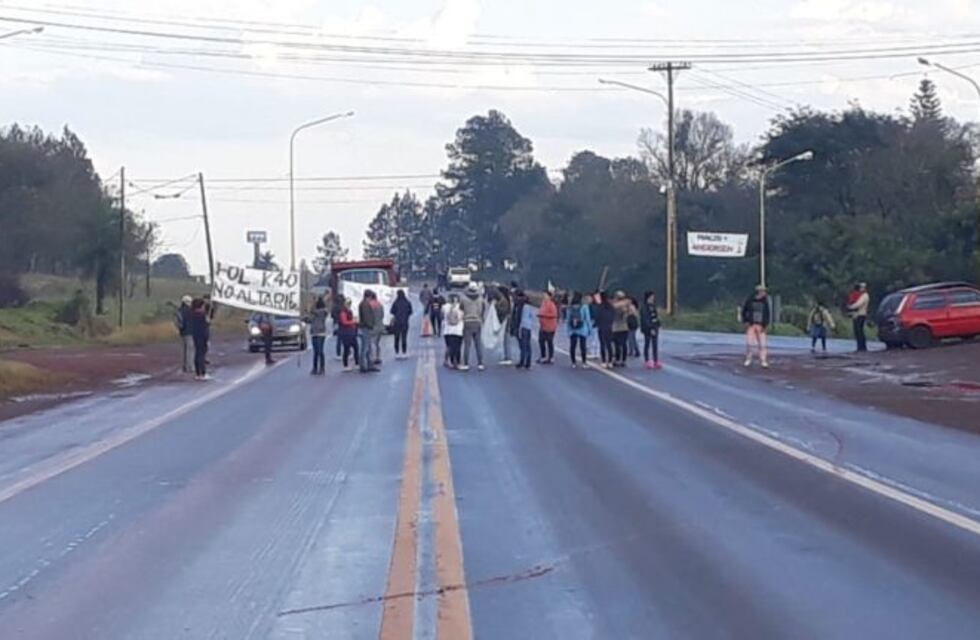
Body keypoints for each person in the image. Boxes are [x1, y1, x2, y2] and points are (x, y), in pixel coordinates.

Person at [459, 283, 487, 371]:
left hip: (467, 322)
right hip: (477, 322)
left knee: (467, 345)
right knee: (478, 344)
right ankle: (480, 364)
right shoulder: (480, 298)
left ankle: (466, 364)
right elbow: (483, 309)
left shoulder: (463, 298)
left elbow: (461, 308)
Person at [742, 285, 771, 368]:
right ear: (759, 292)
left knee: (763, 344)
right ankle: (748, 359)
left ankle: (763, 360)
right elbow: (744, 311)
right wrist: (746, 321)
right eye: (763, 291)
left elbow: (767, 314)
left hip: (761, 325)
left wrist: (765, 325)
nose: (764, 293)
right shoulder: (750, 300)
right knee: (749, 343)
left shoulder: (765, 302)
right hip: (751, 324)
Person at [566, 291, 592, 368]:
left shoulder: (570, 308)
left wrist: (568, 331)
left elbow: (568, 320)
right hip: (582, 328)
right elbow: (587, 319)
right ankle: (584, 362)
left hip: (572, 329)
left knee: (572, 346)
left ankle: (573, 362)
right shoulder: (584, 307)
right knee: (583, 346)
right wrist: (589, 329)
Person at [358, 290, 380, 373]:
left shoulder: (364, 304)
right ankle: (363, 365)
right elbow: (367, 317)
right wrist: (371, 325)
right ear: (369, 296)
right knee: (365, 347)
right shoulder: (365, 305)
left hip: (365, 327)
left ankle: (368, 364)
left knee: (368, 347)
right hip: (366, 328)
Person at [189, 297, 210, 380]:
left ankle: (198, 373)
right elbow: (204, 327)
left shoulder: (192, 313)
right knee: (201, 354)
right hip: (201, 336)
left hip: (196, 335)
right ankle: (202, 373)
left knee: (198, 353)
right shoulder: (201, 315)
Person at [640, 291, 662, 370]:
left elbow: (655, 316)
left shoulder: (653, 306)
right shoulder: (644, 307)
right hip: (648, 328)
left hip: (655, 326)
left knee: (655, 344)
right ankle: (647, 360)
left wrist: (658, 324)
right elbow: (645, 319)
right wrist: (650, 328)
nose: (653, 298)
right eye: (652, 297)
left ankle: (656, 360)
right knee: (647, 343)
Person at [515, 290, 537, 369]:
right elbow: (532, 317)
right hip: (529, 327)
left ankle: (522, 361)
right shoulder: (530, 306)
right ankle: (528, 362)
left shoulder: (521, 306)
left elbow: (520, 318)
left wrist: (518, 328)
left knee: (523, 345)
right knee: (528, 345)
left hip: (523, 326)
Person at [442, 293, 464, 368]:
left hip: (447, 330)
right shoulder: (461, 307)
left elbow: (442, 316)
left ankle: (449, 361)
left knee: (449, 346)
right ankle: (457, 362)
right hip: (458, 330)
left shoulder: (444, 307)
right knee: (458, 347)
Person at [846, 282, 870, 352]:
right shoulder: (862, 295)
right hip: (858, 314)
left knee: (859, 331)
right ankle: (860, 347)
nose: (860, 289)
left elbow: (858, 304)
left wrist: (850, 307)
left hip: (861, 314)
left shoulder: (864, 296)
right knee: (858, 331)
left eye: (862, 287)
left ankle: (862, 347)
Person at [308, 297, 329, 375]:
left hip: (320, 333)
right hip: (314, 333)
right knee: (316, 352)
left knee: (320, 351)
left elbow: (312, 310)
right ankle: (315, 368)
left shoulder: (322, 312)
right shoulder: (315, 314)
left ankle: (321, 368)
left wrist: (312, 302)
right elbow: (309, 319)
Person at [337, 297, 359, 371]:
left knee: (356, 348)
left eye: (350, 303)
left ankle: (357, 363)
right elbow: (344, 322)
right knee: (347, 349)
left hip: (351, 332)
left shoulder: (350, 311)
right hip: (345, 333)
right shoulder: (343, 312)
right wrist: (353, 321)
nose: (349, 305)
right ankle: (345, 365)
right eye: (348, 303)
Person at [390, 289, 413, 359]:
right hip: (405, 322)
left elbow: (391, 311)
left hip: (397, 322)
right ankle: (404, 352)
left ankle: (397, 353)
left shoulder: (395, 302)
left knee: (396, 338)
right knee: (404, 338)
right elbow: (411, 311)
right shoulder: (407, 302)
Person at [537, 290, 558, 364]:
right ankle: (543, 356)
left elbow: (554, 315)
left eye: (545, 295)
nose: (544, 296)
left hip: (550, 326)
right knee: (541, 341)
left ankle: (551, 357)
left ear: (549, 297)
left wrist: (544, 315)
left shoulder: (551, 305)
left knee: (549, 341)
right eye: (543, 295)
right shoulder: (543, 304)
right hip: (543, 326)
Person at [611, 291, 631, 368]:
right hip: (624, 327)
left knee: (617, 344)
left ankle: (618, 359)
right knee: (623, 344)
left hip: (616, 327)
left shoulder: (615, 306)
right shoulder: (627, 305)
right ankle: (623, 360)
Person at [595, 291, 616, 369]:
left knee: (602, 344)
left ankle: (603, 361)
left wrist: (596, 324)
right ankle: (610, 361)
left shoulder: (600, 306)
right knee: (609, 344)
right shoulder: (611, 306)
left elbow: (597, 316)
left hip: (601, 327)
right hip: (609, 327)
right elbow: (613, 316)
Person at [495, 286, 514, 365]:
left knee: (506, 340)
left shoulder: (503, 301)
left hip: (505, 321)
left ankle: (508, 357)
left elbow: (503, 311)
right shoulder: (507, 300)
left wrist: (496, 306)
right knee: (506, 339)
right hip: (507, 321)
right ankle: (507, 356)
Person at [175, 295, 193, 373]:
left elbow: (178, 322)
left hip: (183, 332)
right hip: (190, 331)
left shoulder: (179, 310)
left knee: (185, 349)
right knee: (190, 349)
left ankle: (185, 366)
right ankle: (189, 366)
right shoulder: (190, 311)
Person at [330, 290, 345, 360]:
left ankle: (338, 353)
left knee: (339, 339)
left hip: (336, 323)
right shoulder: (343, 307)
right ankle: (347, 352)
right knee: (345, 338)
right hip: (342, 323)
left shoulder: (334, 306)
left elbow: (332, 315)